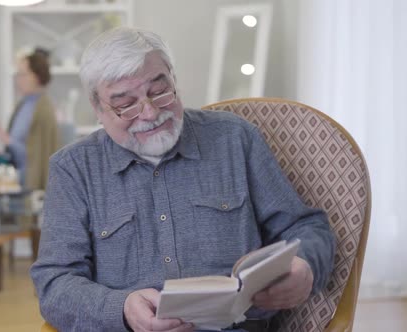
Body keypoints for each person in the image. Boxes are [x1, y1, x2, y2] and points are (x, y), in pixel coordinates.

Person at [30, 27, 336, 332]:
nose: (149, 113)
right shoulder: (73, 169)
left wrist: (306, 266)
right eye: (125, 104)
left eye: (159, 91)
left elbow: (306, 227)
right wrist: (122, 309)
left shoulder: (235, 138)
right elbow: (54, 283)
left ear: (173, 79)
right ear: (98, 108)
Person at [0, 47, 59, 190]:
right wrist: (4, 154)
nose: (18, 79)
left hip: (30, 186)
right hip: (16, 180)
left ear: (36, 77)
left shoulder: (43, 109)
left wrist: (8, 141)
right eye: (17, 74)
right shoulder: (23, 105)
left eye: (22, 74)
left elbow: (38, 157)